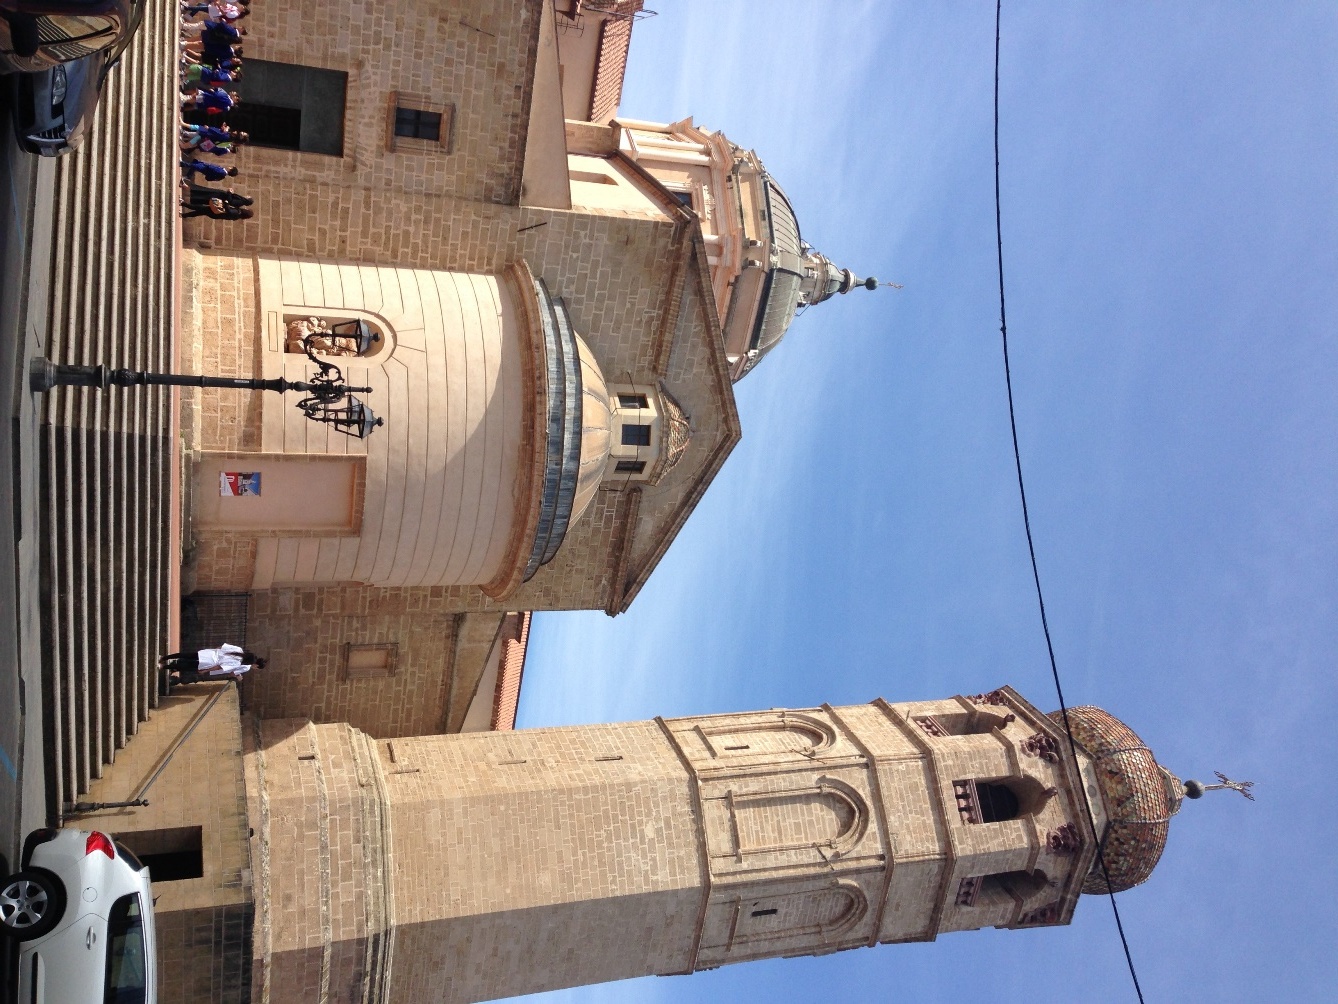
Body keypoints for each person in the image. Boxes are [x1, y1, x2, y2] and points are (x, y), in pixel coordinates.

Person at [160, 644, 265, 688]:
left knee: (186, 655)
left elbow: (221, 646)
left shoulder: (238, 650)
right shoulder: (239, 664)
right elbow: (220, 667)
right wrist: (206, 671)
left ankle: (164, 658)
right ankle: (163, 667)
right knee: (187, 666)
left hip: (210, 653)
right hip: (210, 662)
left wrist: (214, 651)